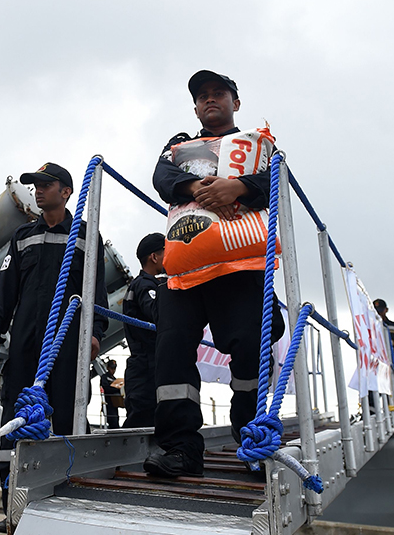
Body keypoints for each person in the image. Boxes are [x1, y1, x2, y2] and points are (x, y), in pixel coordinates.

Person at [144, 70, 284, 479]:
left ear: (235, 102)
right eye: (202, 96)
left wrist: (237, 186)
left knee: (249, 348)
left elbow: (277, 178)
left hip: (240, 265)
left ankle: (251, 441)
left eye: (218, 93)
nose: (210, 100)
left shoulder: (259, 144)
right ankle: (181, 449)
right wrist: (199, 189)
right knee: (171, 355)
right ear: (195, 106)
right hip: (182, 267)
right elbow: (161, 177)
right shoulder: (178, 145)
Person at [0, 162, 108, 531]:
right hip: (24, 340)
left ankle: (68, 508)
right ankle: (14, 510)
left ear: (66, 191)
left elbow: (96, 288)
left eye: (46, 185)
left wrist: (96, 330)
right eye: (35, 186)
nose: (38, 191)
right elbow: (5, 289)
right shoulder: (23, 236)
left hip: (67, 341)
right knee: (16, 418)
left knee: (69, 417)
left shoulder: (86, 236)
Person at [122, 233, 166, 429]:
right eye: (167, 252)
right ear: (154, 257)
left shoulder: (140, 285)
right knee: (142, 419)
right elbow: (157, 312)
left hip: (147, 364)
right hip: (147, 366)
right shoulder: (146, 285)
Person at [100, 359, 123, 429]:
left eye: (114, 368)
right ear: (108, 368)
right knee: (112, 421)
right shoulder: (105, 377)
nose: (113, 370)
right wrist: (117, 389)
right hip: (108, 404)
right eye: (111, 368)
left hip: (114, 404)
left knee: (116, 420)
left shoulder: (115, 379)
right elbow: (106, 388)